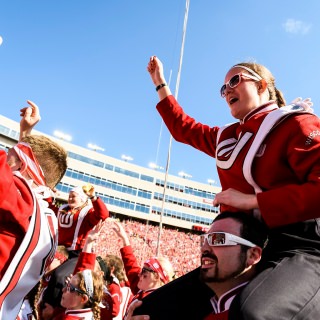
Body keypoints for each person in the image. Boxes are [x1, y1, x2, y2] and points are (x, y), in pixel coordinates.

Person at [147, 56, 320, 318]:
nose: (227, 89)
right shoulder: (227, 136)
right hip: (249, 246)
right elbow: (183, 128)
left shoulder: (296, 123)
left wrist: (252, 201)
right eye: (223, 87)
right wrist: (160, 83)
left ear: (262, 86)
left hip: (300, 246)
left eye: (234, 80)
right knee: (152, 309)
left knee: (252, 313)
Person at [131, 211, 268, 320]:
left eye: (218, 239)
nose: (204, 248)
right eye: (204, 240)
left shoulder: (263, 313)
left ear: (253, 255)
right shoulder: (195, 310)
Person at [0, 100, 68, 319]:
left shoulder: (17, 197)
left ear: (23, 164)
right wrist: (25, 134)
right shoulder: (45, 214)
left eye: (10, 152)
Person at [111, 220, 175, 315]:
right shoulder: (143, 289)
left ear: (157, 277)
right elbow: (131, 267)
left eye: (144, 272)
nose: (140, 274)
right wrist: (125, 240)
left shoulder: (155, 302)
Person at [55, 183, 109, 258]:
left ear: (82, 198)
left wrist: (93, 197)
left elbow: (103, 215)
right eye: (69, 196)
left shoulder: (87, 212)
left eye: (73, 196)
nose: (70, 199)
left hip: (76, 253)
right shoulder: (63, 208)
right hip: (58, 250)